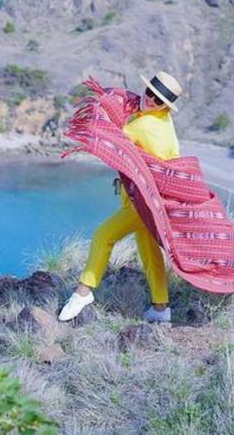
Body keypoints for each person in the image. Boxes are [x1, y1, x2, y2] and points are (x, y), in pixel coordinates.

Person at [57, 71, 184, 323]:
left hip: (145, 203)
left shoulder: (145, 126)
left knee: (103, 236)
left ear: (165, 105)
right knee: (149, 249)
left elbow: (111, 136)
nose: (150, 100)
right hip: (150, 198)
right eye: (149, 92)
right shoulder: (162, 120)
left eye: (158, 99)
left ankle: (83, 293)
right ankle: (161, 309)